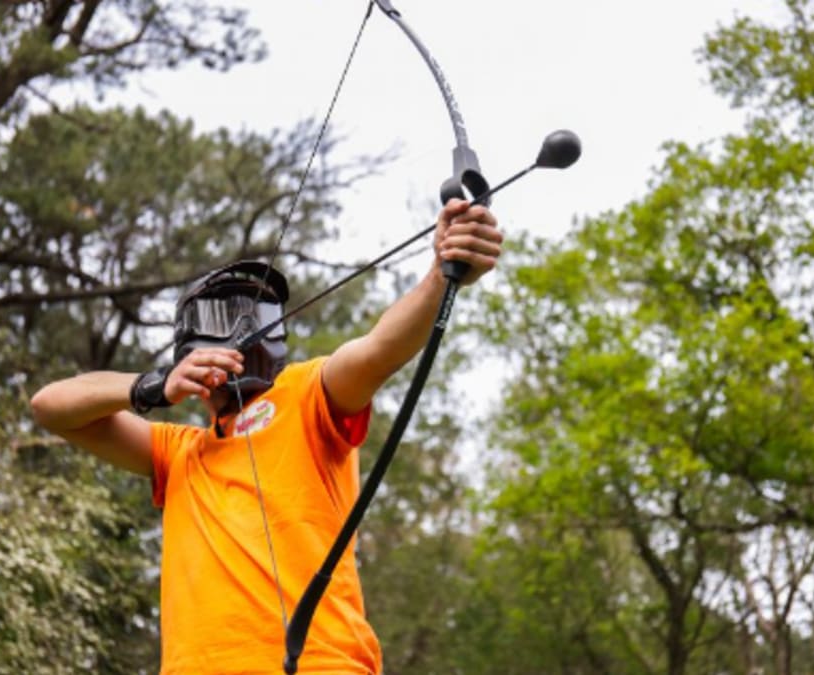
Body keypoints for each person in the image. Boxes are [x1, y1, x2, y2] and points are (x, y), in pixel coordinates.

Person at [29, 198, 502, 675]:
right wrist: (152, 386)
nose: (242, 329)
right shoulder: (177, 452)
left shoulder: (305, 394)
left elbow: (379, 349)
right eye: (222, 317)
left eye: (257, 312)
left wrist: (442, 274)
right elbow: (50, 406)